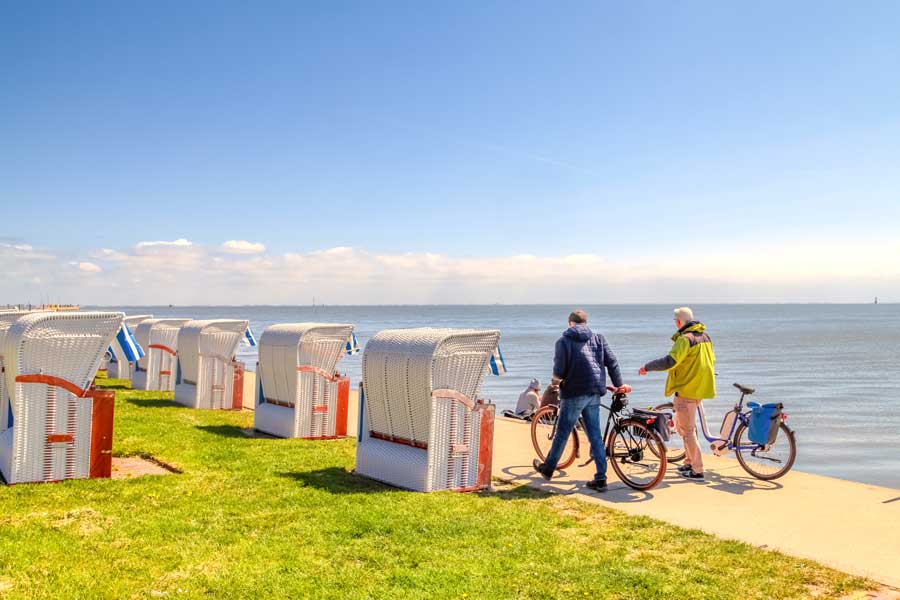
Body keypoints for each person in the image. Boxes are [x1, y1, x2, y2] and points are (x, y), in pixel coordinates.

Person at [533, 309, 624, 492]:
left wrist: (555, 383)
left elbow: (559, 369)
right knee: (595, 435)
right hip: (594, 392)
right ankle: (600, 478)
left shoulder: (563, 341)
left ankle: (548, 469)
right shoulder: (598, 338)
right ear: (586, 323)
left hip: (574, 392)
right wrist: (619, 385)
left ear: (570, 323)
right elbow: (612, 362)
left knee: (563, 432)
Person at [639, 306, 716, 481]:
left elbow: (670, 361)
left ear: (679, 321)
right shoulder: (705, 336)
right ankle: (689, 462)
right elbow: (710, 360)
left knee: (687, 431)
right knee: (685, 428)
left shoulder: (684, 339)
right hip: (700, 388)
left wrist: (647, 367)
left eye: (675, 321)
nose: (675, 323)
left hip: (686, 389)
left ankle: (698, 470)